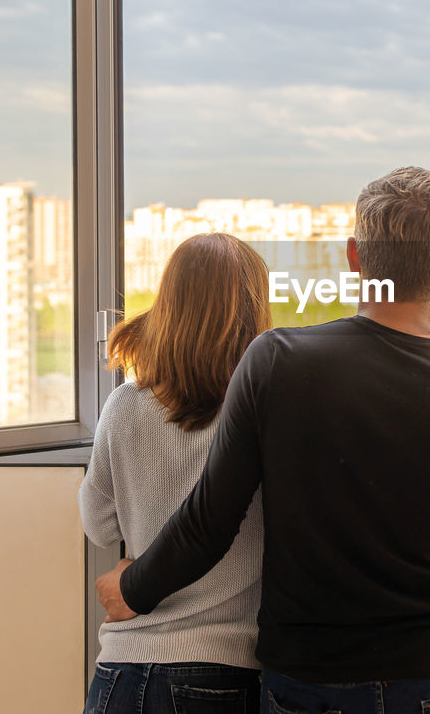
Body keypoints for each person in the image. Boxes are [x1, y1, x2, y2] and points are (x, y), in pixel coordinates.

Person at [95, 166, 430, 714]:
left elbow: (210, 519)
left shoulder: (277, 361)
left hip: (309, 679)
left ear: (355, 257)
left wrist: (133, 589)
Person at [80, 232, 272, 714]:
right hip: (223, 670)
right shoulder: (263, 413)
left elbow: (99, 524)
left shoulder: (125, 404)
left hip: (121, 670)